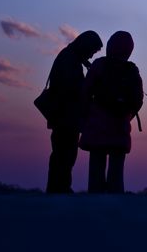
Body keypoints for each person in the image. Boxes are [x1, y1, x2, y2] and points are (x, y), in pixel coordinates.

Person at [79, 31, 144, 194]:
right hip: (120, 127)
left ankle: (93, 210)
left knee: (96, 171)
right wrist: (126, 114)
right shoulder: (132, 70)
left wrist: (87, 115)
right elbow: (138, 99)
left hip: (97, 125)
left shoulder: (99, 65)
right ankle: (116, 211)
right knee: (116, 174)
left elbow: (85, 93)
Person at [43, 30, 103, 193]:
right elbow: (73, 88)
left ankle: (59, 187)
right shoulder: (69, 60)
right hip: (65, 116)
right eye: (92, 51)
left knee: (64, 154)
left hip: (65, 116)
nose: (91, 56)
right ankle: (59, 188)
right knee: (64, 154)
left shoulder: (70, 57)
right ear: (86, 46)